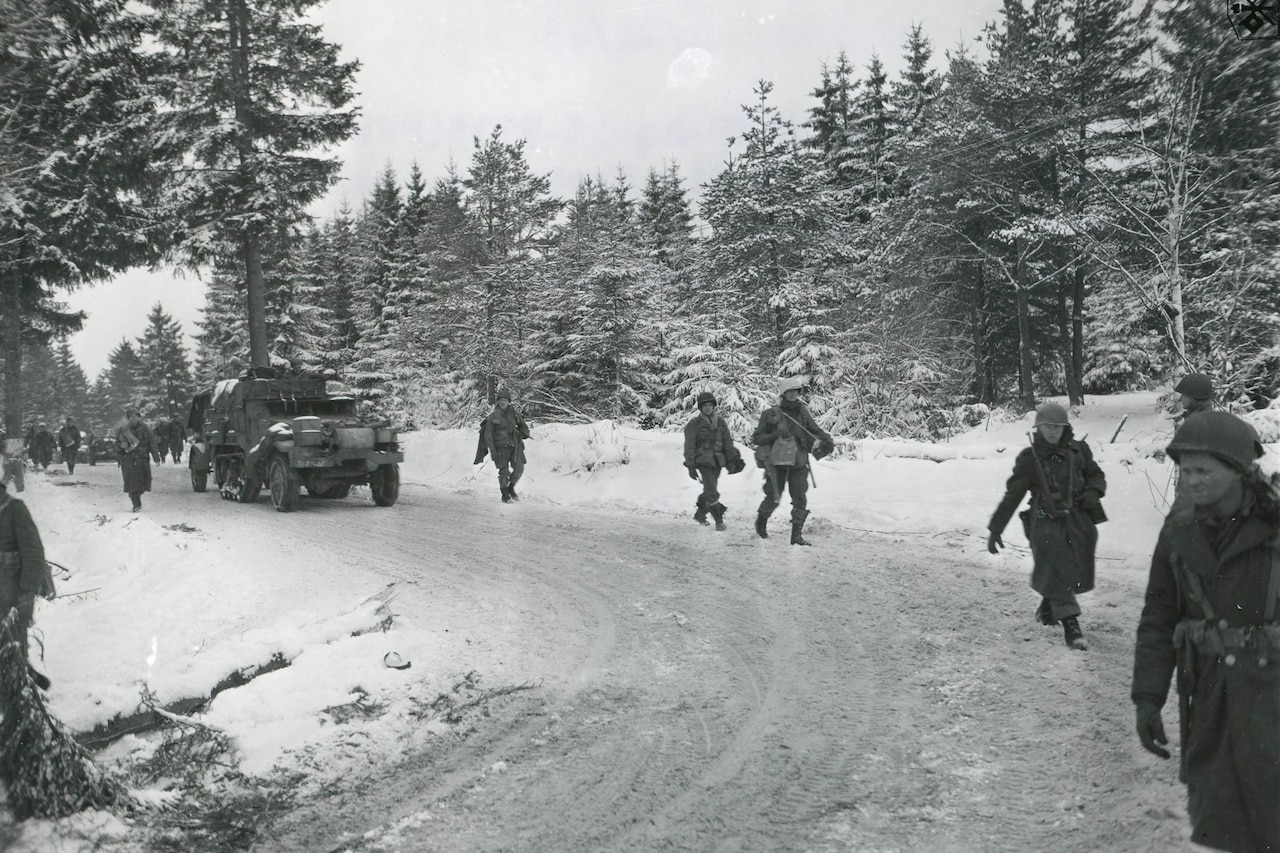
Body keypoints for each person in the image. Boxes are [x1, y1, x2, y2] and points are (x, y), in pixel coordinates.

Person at [1132, 411, 1280, 853]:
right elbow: (1158, 616)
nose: (1190, 481)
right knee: (1220, 819)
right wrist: (1148, 698)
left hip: (1272, 697)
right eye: (1185, 470)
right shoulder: (1178, 531)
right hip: (1211, 698)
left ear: (1237, 470)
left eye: (1202, 471)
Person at [987, 402, 1107, 650]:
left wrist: (1093, 492)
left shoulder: (1079, 451)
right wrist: (996, 529)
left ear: (1065, 428)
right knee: (1055, 561)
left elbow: (1096, 475)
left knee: (1072, 566)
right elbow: (1013, 495)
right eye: (1046, 427)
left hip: (1077, 519)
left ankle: (1049, 607)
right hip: (1044, 520)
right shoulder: (1030, 459)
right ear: (1038, 428)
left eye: (1057, 427)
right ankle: (1071, 625)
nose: (1052, 432)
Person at [751, 377, 834, 546]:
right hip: (777, 463)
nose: (793, 395)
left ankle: (796, 535)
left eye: (795, 391)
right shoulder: (770, 414)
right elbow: (757, 438)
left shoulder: (802, 412)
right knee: (774, 497)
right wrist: (775, 435)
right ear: (783, 394)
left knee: (800, 498)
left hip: (798, 462)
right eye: (789, 392)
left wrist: (827, 439)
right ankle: (761, 521)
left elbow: (814, 429)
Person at [0, 470, 56, 679]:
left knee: (12, 648)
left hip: (11, 594)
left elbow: (33, 554)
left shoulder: (14, 509)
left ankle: (19, 691)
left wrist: (26, 593)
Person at [683, 391, 745, 531]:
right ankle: (719, 520)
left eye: (710, 405)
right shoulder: (694, 424)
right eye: (704, 406)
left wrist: (734, 458)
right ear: (700, 408)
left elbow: (727, 442)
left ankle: (700, 514)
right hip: (703, 461)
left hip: (717, 462)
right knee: (712, 491)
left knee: (709, 490)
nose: (708, 408)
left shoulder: (720, 422)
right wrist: (691, 465)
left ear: (714, 407)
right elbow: (689, 446)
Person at [480, 387, 530, 503]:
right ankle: (504, 494)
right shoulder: (493, 417)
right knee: (504, 472)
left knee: (519, 469)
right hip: (500, 448)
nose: (503, 402)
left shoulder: (515, 415)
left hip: (515, 447)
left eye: (505, 400)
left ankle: (510, 488)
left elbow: (524, 428)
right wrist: (492, 450)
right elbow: (488, 435)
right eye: (501, 400)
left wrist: (522, 433)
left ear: (509, 402)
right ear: (498, 402)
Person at [116, 407, 159, 512]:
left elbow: (152, 442)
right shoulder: (123, 430)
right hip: (129, 459)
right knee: (132, 483)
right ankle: (136, 504)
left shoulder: (145, 428)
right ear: (128, 418)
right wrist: (122, 448)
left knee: (144, 482)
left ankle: (136, 497)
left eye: (136, 416)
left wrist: (156, 457)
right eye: (131, 417)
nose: (134, 419)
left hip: (142, 459)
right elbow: (117, 445)